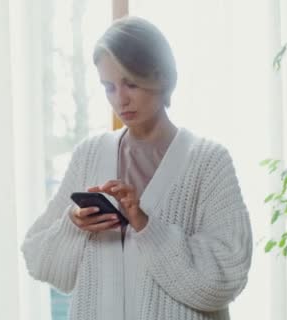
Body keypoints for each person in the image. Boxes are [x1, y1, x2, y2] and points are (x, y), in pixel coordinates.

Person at [21, 16, 252, 320]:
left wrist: (146, 226)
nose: (120, 100)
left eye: (131, 83)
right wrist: (74, 225)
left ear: (161, 77)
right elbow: (38, 259)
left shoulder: (208, 161)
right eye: (109, 87)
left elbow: (227, 275)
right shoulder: (89, 155)